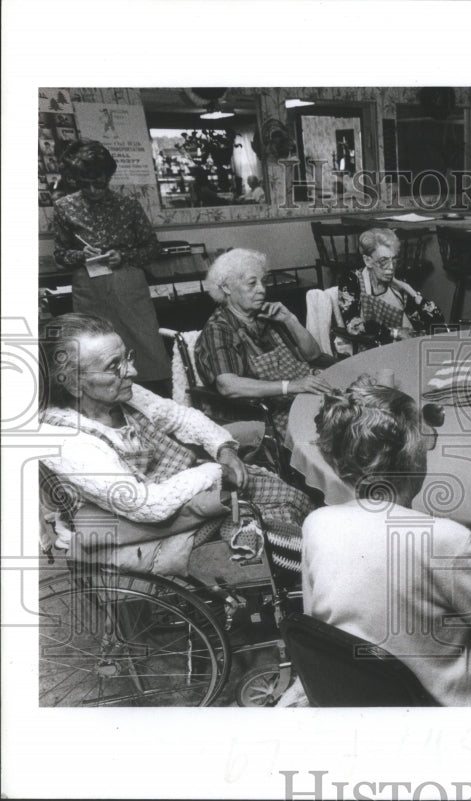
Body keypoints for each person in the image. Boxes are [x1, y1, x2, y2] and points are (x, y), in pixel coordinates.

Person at [293, 376, 471, 706]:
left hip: (369, 699)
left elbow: (320, 627)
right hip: (454, 715)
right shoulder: (446, 541)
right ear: (412, 458)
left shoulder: (316, 525)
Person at [39, 313, 313, 580]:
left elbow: (182, 417)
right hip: (154, 521)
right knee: (288, 545)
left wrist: (223, 448)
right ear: (74, 383)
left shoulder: (126, 396)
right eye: (114, 366)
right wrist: (216, 472)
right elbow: (147, 505)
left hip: (188, 489)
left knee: (292, 499)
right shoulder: (66, 441)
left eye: (127, 358)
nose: (132, 371)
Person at [51, 140, 171, 395]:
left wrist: (124, 256)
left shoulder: (128, 206)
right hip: (90, 288)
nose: (94, 190)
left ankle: (154, 404)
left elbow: (153, 248)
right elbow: (60, 255)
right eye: (86, 184)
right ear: (76, 180)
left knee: (146, 350)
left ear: (109, 176)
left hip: (128, 286)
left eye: (100, 183)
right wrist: (80, 255)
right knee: (96, 351)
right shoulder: (64, 208)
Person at [195, 248, 338, 438]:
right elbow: (228, 386)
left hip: (303, 398)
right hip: (269, 414)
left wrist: (290, 320)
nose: (262, 290)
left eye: (263, 282)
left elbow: (313, 355)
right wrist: (292, 386)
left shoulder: (267, 315)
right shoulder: (219, 329)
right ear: (227, 288)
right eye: (252, 284)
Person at [336, 227, 445, 346]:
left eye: (394, 260)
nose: (391, 267)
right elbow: (355, 326)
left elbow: (437, 319)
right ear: (368, 261)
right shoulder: (351, 280)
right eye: (383, 261)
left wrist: (409, 289)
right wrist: (395, 332)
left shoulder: (398, 287)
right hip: (369, 352)